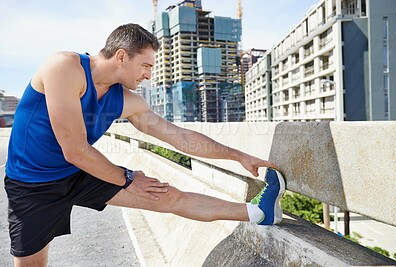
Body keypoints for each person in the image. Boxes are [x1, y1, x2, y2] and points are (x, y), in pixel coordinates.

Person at [4, 23, 286, 267]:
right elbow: (75, 149)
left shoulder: (127, 100)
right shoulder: (64, 67)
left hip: (80, 172)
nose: (149, 75)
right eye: (146, 65)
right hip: (32, 184)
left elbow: (179, 137)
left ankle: (258, 212)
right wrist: (127, 179)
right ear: (122, 56)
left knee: (167, 196)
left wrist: (237, 155)